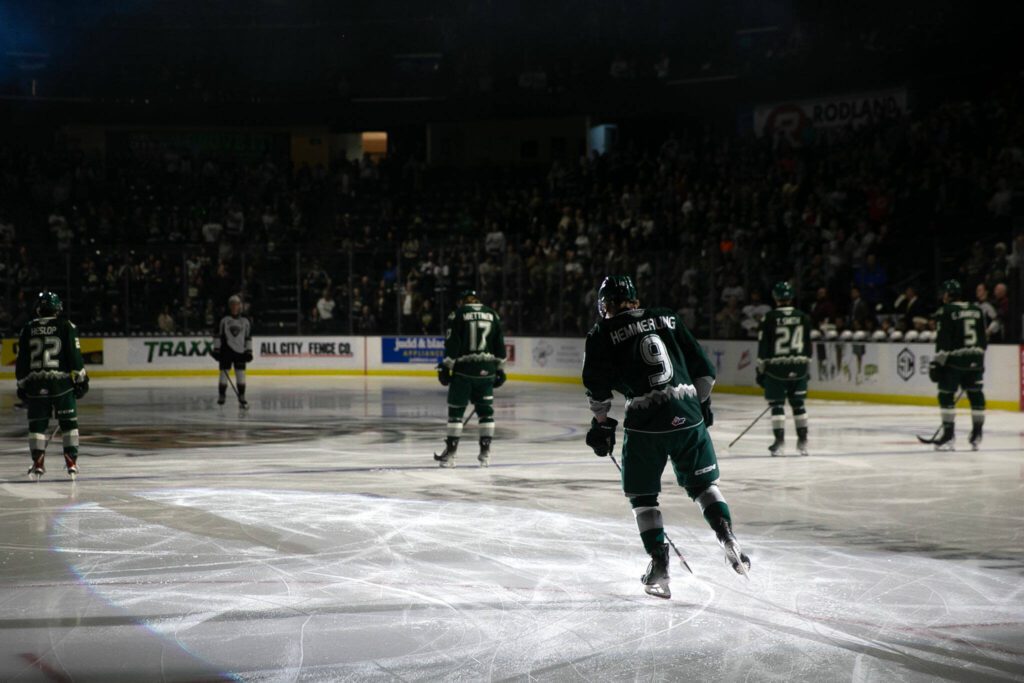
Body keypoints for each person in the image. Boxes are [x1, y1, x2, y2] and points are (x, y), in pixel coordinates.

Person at [582, 275, 749, 599]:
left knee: (643, 497)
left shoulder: (601, 333)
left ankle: (659, 563)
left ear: (606, 304)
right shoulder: (668, 317)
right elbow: (705, 372)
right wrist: (700, 405)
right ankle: (727, 536)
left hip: (645, 423)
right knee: (703, 486)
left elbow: (597, 389)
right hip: (687, 412)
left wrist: (601, 424)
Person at [15, 291, 89, 480]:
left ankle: (38, 462)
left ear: (39, 308)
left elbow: (22, 361)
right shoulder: (66, 326)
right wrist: (81, 379)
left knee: (37, 426)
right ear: (58, 308)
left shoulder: (28, 328)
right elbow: (74, 356)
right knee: (69, 424)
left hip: (35, 385)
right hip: (62, 384)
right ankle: (71, 461)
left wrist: (22, 384)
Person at [435, 290, 506, 467]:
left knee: (456, 413)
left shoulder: (458, 314)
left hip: (464, 372)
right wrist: (500, 370)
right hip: (487, 371)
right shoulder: (492, 314)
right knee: (486, 413)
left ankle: (450, 455)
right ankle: (485, 455)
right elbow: (500, 345)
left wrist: (445, 367)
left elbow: (453, 344)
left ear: (463, 301)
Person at [927, 279, 986, 450]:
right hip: (976, 359)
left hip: (954, 361)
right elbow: (983, 340)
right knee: (976, 395)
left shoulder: (945, 311)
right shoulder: (977, 310)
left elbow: (943, 343)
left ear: (947, 295)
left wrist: (937, 364)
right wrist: (979, 362)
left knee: (945, 395)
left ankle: (948, 434)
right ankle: (977, 434)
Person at [756, 281, 812, 456]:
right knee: (799, 405)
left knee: (777, 406)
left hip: (776, 369)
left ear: (775, 297)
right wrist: (806, 367)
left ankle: (779, 444)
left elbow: (763, 346)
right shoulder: (803, 316)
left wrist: (760, 369)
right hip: (799, 366)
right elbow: (808, 345)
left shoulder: (770, 318)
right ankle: (803, 443)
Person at [212, 294, 252, 408]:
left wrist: (249, 351)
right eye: (233, 304)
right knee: (223, 375)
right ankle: (221, 395)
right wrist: (217, 350)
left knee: (241, 375)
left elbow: (248, 337)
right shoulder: (224, 320)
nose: (235, 306)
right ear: (230, 306)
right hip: (226, 351)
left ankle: (242, 395)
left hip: (240, 352)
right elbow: (217, 335)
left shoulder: (246, 321)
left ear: (240, 306)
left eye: (237, 304)